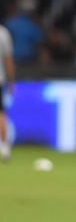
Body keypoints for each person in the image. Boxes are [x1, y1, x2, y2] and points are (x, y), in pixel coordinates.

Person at [0, 24, 15, 161]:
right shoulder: (3, 33)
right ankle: (4, 147)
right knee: (0, 114)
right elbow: (7, 59)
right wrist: (11, 80)